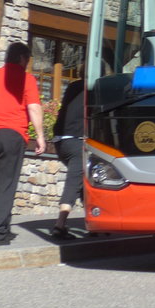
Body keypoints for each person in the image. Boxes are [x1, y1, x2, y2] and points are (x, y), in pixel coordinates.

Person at [0, 42, 45, 246]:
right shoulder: (27, 79)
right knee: (6, 184)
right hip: (11, 135)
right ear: (22, 58)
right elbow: (33, 108)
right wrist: (40, 136)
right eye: (28, 59)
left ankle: (3, 228)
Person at [50, 76, 84, 239]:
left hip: (60, 141)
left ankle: (95, 222)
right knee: (74, 182)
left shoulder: (73, 87)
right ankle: (59, 225)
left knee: (85, 180)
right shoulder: (95, 89)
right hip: (76, 142)